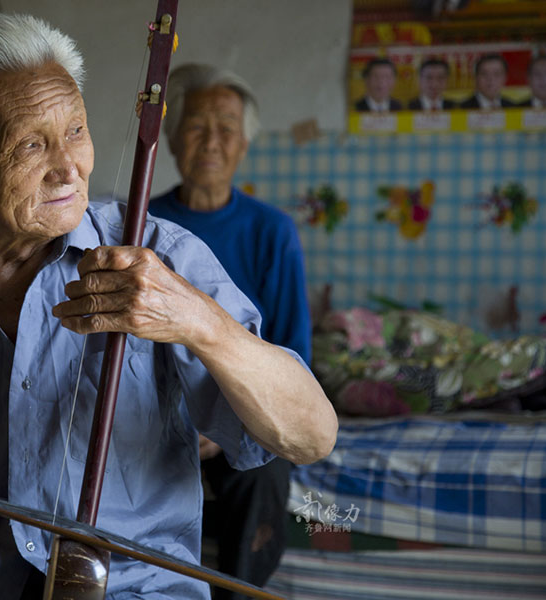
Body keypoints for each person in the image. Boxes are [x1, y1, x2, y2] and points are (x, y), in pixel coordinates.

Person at [0, 13, 337, 600]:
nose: (69, 166)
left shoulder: (156, 254)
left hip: (131, 589)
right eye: (30, 144)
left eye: (76, 130)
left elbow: (312, 436)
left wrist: (198, 321)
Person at [147, 64, 312, 597]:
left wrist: (223, 427)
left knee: (261, 471)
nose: (212, 141)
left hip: (244, 411)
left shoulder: (272, 232)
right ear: (171, 137)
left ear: (244, 144)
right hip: (152, 410)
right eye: (196, 125)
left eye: (226, 128)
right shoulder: (140, 224)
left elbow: (293, 353)